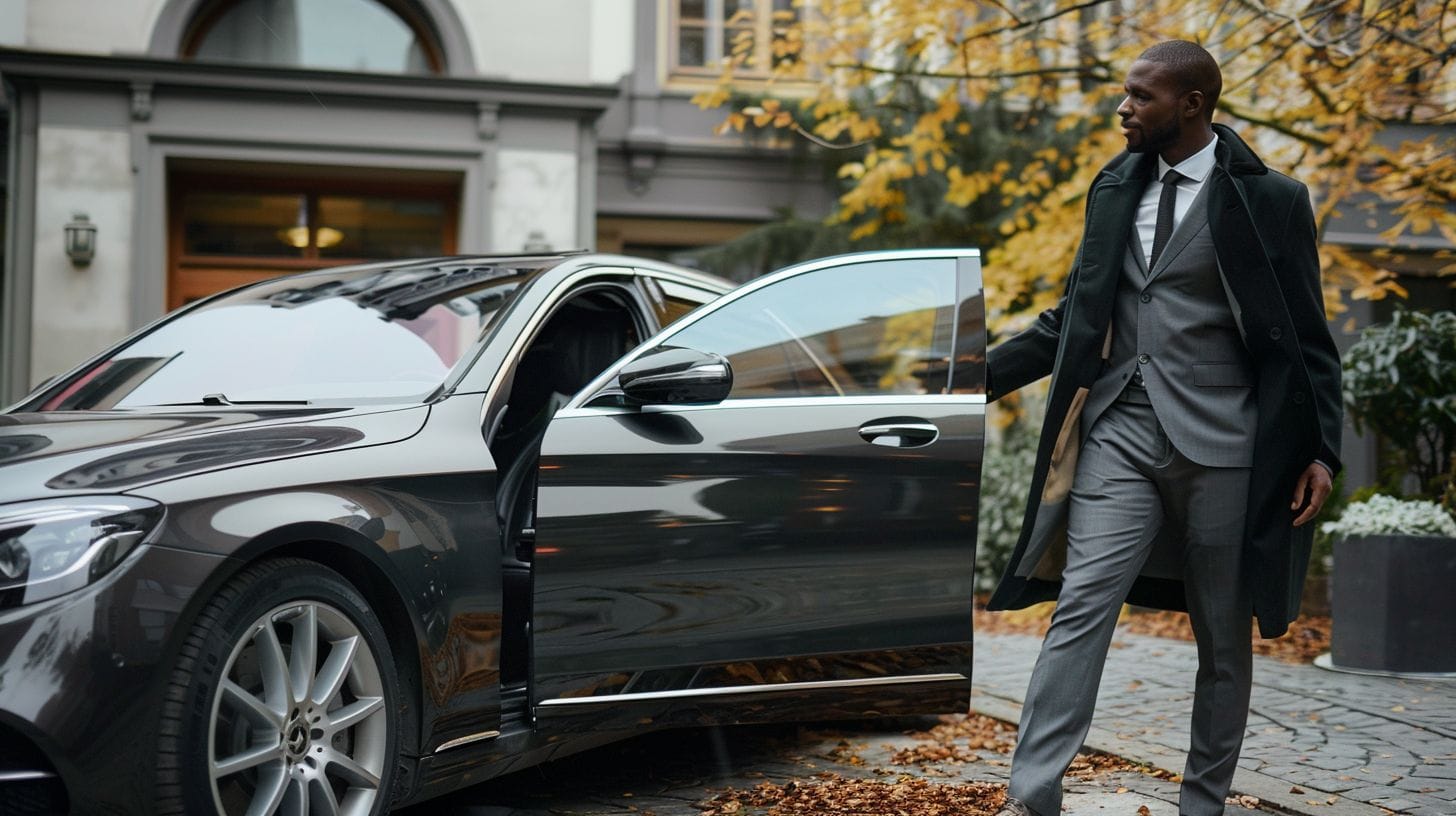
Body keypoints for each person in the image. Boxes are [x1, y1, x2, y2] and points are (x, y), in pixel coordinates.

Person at [985, 40, 1342, 816]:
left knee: (1222, 632)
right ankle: (1030, 795)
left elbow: (1305, 336)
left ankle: (1202, 803)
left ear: (1192, 104)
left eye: (1142, 96)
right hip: (1120, 427)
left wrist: (1321, 448)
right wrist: (968, 378)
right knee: (1082, 604)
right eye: (1126, 93)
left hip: (1226, 444)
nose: (1124, 108)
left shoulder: (1270, 199)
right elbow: (1074, 314)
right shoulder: (1114, 185)